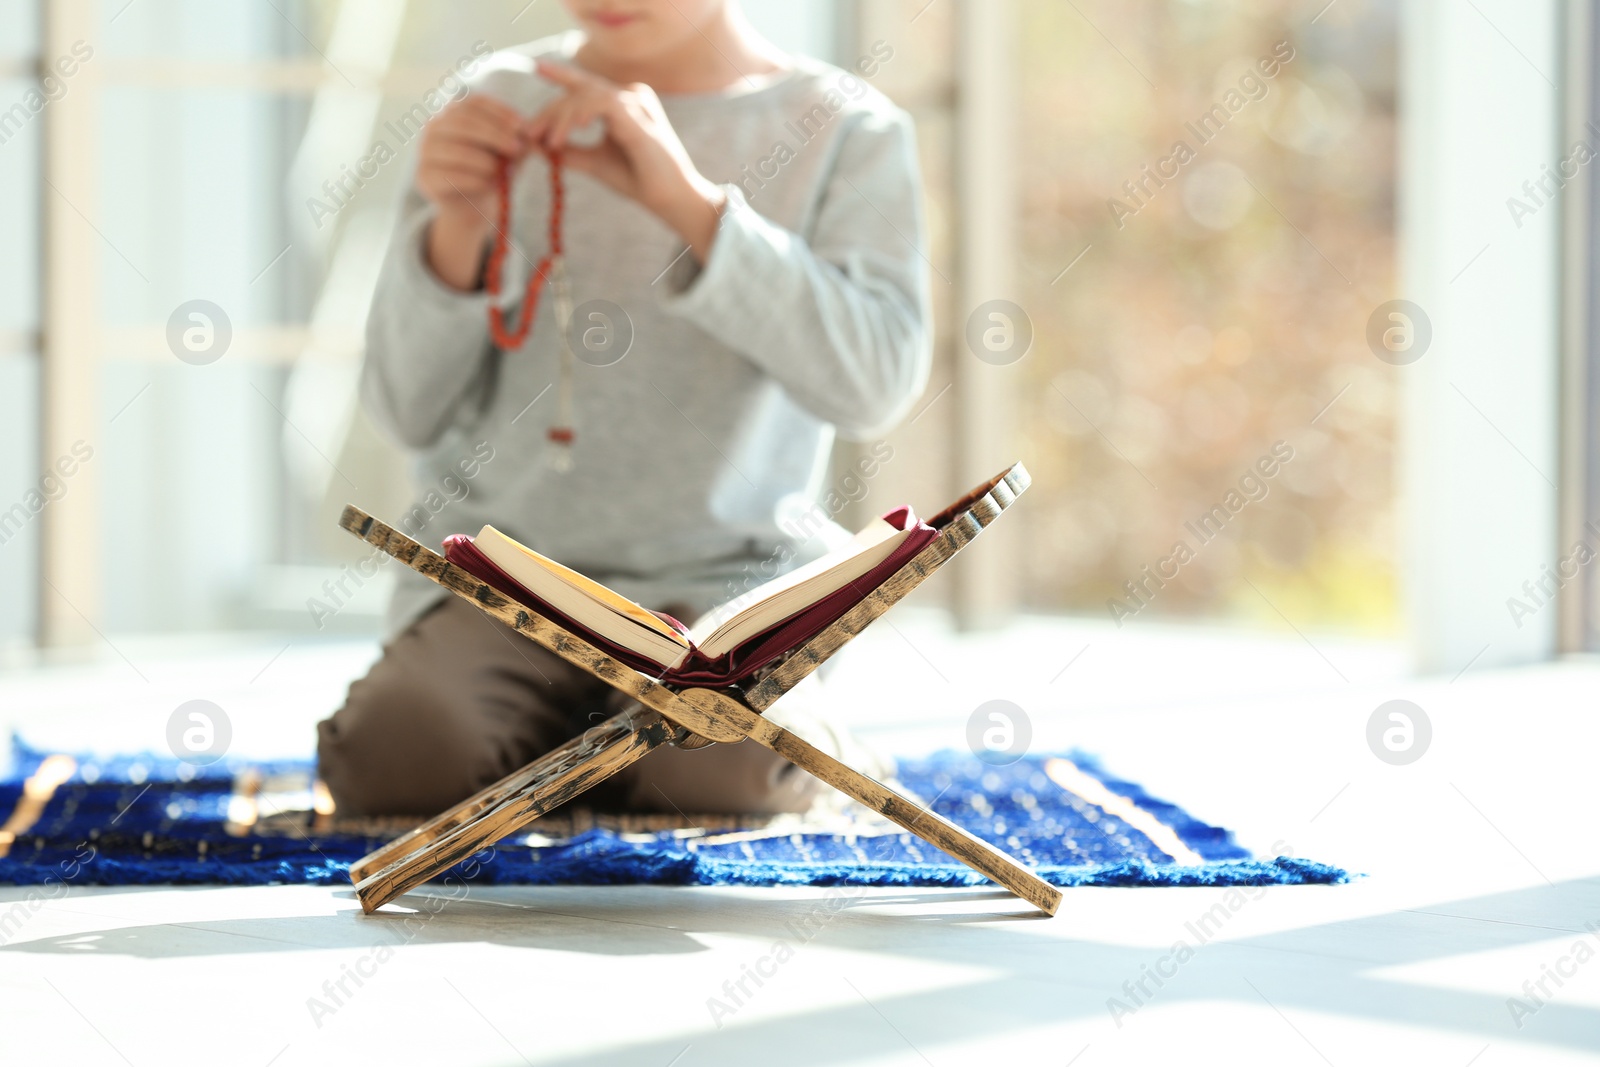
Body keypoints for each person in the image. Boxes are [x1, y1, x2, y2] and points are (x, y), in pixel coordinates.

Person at [316, 0, 930, 817]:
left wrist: (692, 209)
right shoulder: (492, 100)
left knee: (720, 776)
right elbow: (403, 410)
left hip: (727, 597)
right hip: (504, 587)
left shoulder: (846, 128)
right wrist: (456, 230)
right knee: (398, 757)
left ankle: (653, 740)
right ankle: (586, 732)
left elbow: (875, 386)